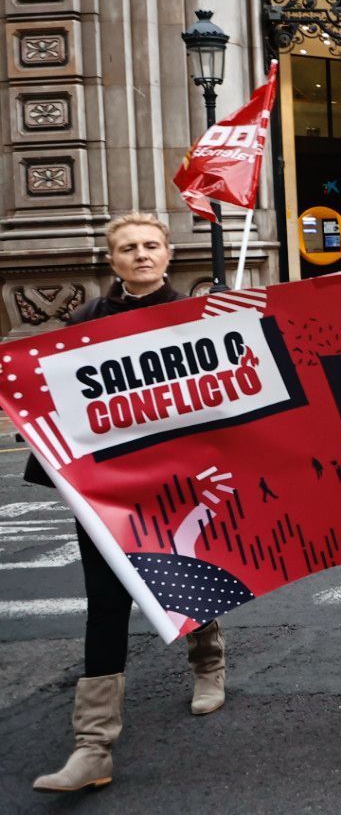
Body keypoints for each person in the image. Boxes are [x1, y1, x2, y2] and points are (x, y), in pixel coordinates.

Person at [28, 213, 227, 792]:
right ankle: (93, 746)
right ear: (111, 261)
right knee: (107, 604)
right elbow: (54, 402)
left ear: (168, 254)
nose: (140, 255)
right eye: (127, 248)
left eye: (150, 246)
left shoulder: (194, 318)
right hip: (105, 490)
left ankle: (208, 660)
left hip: (173, 480)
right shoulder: (82, 322)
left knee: (181, 576)